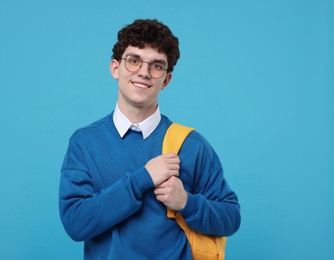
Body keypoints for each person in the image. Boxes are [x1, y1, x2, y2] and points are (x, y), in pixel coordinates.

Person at [59, 19, 241, 259]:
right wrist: (141, 179)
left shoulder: (191, 145)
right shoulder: (84, 143)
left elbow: (231, 217)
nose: (143, 72)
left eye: (156, 66)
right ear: (115, 68)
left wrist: (188, 202)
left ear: (166, 80)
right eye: (134, 61)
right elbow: (75, 223)